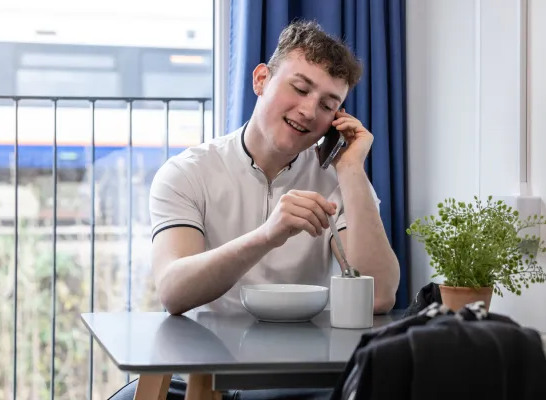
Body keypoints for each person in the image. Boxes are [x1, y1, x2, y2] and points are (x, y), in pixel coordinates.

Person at [110, 20, 400, 400]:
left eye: (328, 105)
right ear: (261, 79)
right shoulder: (187, 173)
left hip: (300, 378)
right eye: (299, 88)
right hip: (201, 373)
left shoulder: (340, 180)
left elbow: (379, 297)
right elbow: (173, 291)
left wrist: (350, 170)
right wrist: (268, 234)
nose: (309, 111)